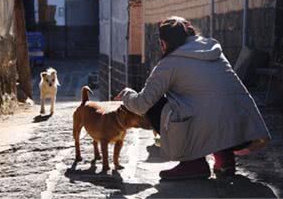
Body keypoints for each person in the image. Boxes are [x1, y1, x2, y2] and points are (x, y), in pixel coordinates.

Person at [115, 16, 270, 180]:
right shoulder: (214, 51)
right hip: (242, 132)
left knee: (155, 105)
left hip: (219, 130)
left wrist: (126, 94)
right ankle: (224, 159)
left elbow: (141, 104)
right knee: (210, 105)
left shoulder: (169, 63)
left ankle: (192, 163)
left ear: (163, 43)